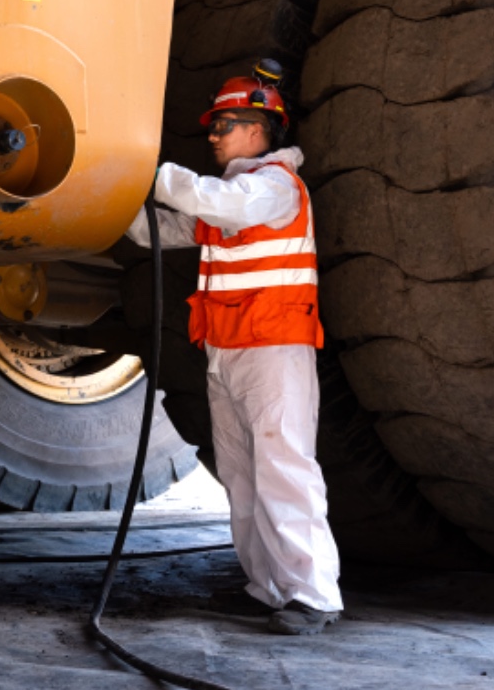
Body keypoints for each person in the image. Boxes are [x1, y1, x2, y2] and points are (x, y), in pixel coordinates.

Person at [127, 63, 343, 636]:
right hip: (226, 353)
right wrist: (105, 200)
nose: (214, 137)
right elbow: (155, 231)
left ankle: (314, 594)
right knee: (242, 476)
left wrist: (143, 170)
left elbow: (217, 202)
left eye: (224, 125)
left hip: (274, 352)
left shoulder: (272, 188)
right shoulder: (228, 203)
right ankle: (267, 587)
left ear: (258, 128)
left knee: (284, 470)